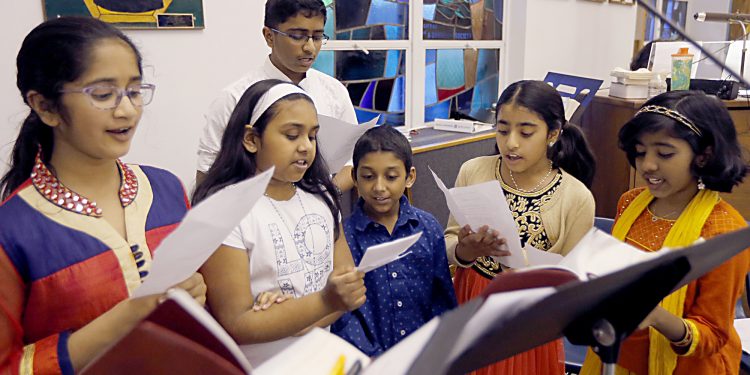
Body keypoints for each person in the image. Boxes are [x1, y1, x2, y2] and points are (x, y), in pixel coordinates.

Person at [0, 17, 206, 374]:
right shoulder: (13, 231)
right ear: (45, 106)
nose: (126, 110)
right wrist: (131, 313)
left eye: (134, 91)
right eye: (103, 94)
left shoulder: (167, 190)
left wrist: (196, 294)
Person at [192, 79, 366, 366]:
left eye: (312, 136)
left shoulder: (322, 199)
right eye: (291, 135)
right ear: (251, 139)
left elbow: (345, 286)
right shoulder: (225, 211)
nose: (305, 148)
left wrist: (298, 317)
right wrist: (316, 306)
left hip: (319, 355)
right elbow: (236, 321)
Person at [580, 91, 750, 375]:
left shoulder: (723, 231)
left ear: (704, 155)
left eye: (665, 153)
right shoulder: (631, 202)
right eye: (640, 151)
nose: (648, 165)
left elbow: (713, 336)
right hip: (617, 356)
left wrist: (656, 316)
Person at [444, 80, 596, 375]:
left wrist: (530, 275)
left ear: (553, 133)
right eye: (502, 130)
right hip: (472, 300)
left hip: (529, 319)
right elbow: (450, 241)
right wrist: (464, 249)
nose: (511, 142)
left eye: (526, 132)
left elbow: (576, 285)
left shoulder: (576, 197)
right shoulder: (473, 171)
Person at [196, 0, 357, 190]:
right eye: (298, 36)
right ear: (269, 36)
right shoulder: (234, 99)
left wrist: (323, 197)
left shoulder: (334, 92)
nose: (310, 48)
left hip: (318, 216)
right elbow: (207, 177)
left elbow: (352, 160)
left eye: (318, 37)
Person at [330, 126, 457, 356]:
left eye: (391, 177)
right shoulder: (343, 238)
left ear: (409, 177)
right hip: (369, 362)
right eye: (368, 176)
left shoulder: (427, 228)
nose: (379, 187)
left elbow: (442, 298)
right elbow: (342, 316)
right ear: (354, 178)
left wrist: (436, 350)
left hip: (423, 358)